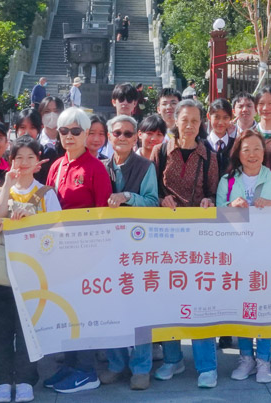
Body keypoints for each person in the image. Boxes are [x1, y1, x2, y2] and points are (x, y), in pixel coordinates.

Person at [42, 108, 113, 393]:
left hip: (85, 252)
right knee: (66, 312)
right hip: (58, 252)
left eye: (75, 131)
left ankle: (86, 371)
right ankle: (70, 366)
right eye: (63, 131)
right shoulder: (56, 165)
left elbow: (103, 213)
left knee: (82, 312)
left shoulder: (95, 168)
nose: (69, 136)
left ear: (86, 134)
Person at [0, 139, 61, 403]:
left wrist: (32, 224)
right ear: (11, 160)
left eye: (30, 157)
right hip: (0, 273)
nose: (24, 163)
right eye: (19, 157)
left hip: (33, 272)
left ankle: (27, 378)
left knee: (28, 329)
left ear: (38, 160)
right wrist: (7, 183)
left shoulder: (47, 193)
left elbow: (56, 231)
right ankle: (1, 380)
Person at [152, 100, 220, 388]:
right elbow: (151, 188)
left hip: (198, 235)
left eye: (195, 120)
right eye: (184, 120)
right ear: (175, 121)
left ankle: (207, 365)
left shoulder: (209, 155)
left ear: (201, 122)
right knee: (167, 297)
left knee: (200, 299)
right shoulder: (161, 151)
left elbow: (217, 193)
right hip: (166, 235)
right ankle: (172, 358)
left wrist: (209, 201)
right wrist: (160, 199)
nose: (190, 125)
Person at [217, 130, 271, 384]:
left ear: (264, 152)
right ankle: (246, 358)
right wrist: (230, 209)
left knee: (265, 308)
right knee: (243, 308)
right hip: (238, 255)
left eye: (257, 148)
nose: (252, 154)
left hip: (268, 253)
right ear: (238, 153)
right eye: (246, 149)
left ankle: (264, 361)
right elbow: (216, 216)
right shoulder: (227, 180)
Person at [99, 116, 159, 389]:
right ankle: (116, 363)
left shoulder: (146, 166)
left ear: (136, 138)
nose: (121, 137)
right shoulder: (102, 167)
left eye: (127, 133)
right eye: (117, 133)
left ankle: (141, 367)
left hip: (138, 248)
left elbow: (152, 202)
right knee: (110, 306)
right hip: (108, 248)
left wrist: (127, 197)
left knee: (140, 310)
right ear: (109, 137)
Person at [204, 98, 236, 174]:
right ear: (209, 116)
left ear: (231, 117)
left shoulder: (235, 145)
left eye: (225, 118)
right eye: (217, 117)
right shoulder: (202, 145)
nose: (221, 122)